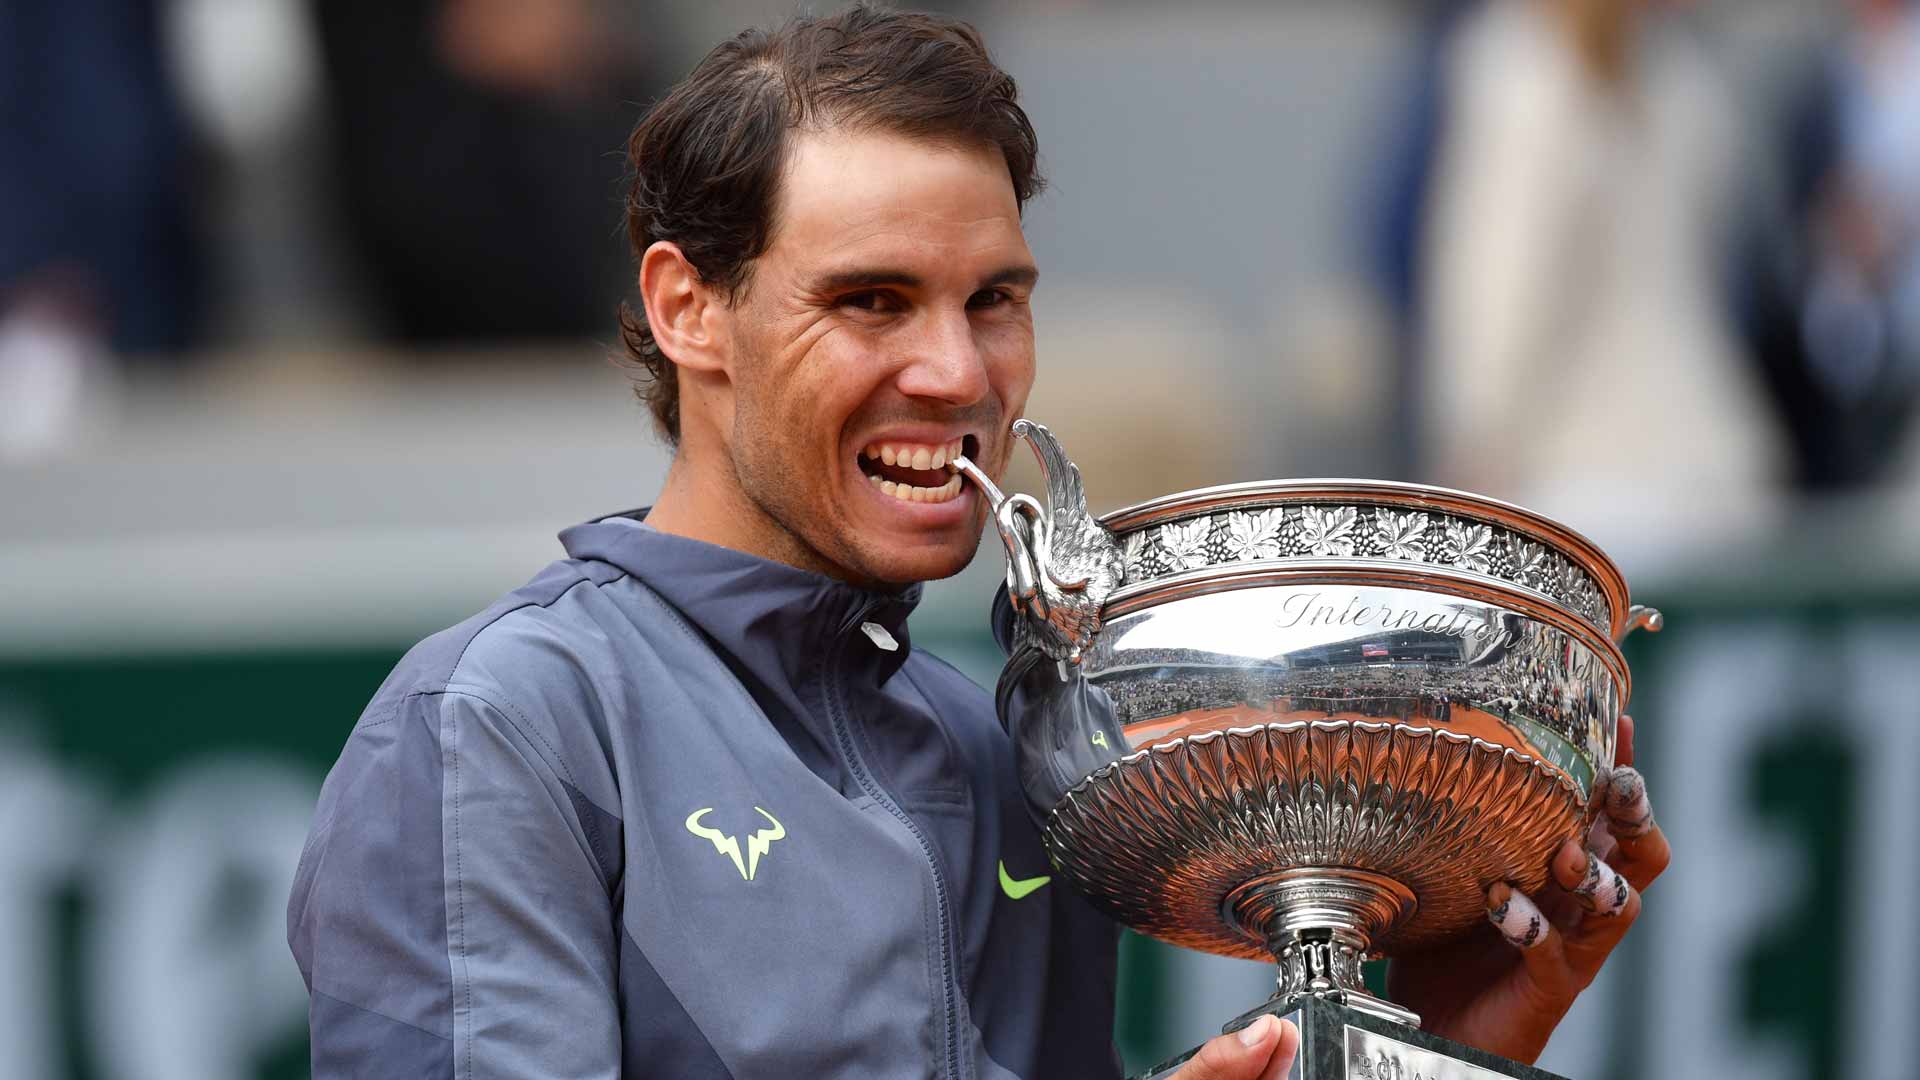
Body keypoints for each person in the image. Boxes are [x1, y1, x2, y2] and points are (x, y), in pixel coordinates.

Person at [286, 6, 1670, 1078]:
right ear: (687, 309)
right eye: (873, 300)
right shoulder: (502, 731)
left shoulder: (1009, 755)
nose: (958, 372)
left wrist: (1425, 1040)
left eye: (993, 299)